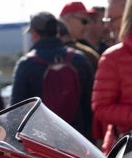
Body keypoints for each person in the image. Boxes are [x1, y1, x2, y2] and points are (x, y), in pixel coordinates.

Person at [11, 11, 94, 139]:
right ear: (57, 31)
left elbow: (15, 113)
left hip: (41, 141)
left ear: (34, 33)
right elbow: (90, 105)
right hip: (77, 139)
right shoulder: (79, 59)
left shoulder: (26, 64)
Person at [92, 0, 132, 151]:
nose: (107, 25)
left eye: (112, 19)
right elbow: (101, 107)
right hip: (128, 153)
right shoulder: (113, 57)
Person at [59, 2, 101, 70]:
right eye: (84, 21)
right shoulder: (88, 55)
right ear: (68, 19)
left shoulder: (89, 52)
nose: (87, 26)